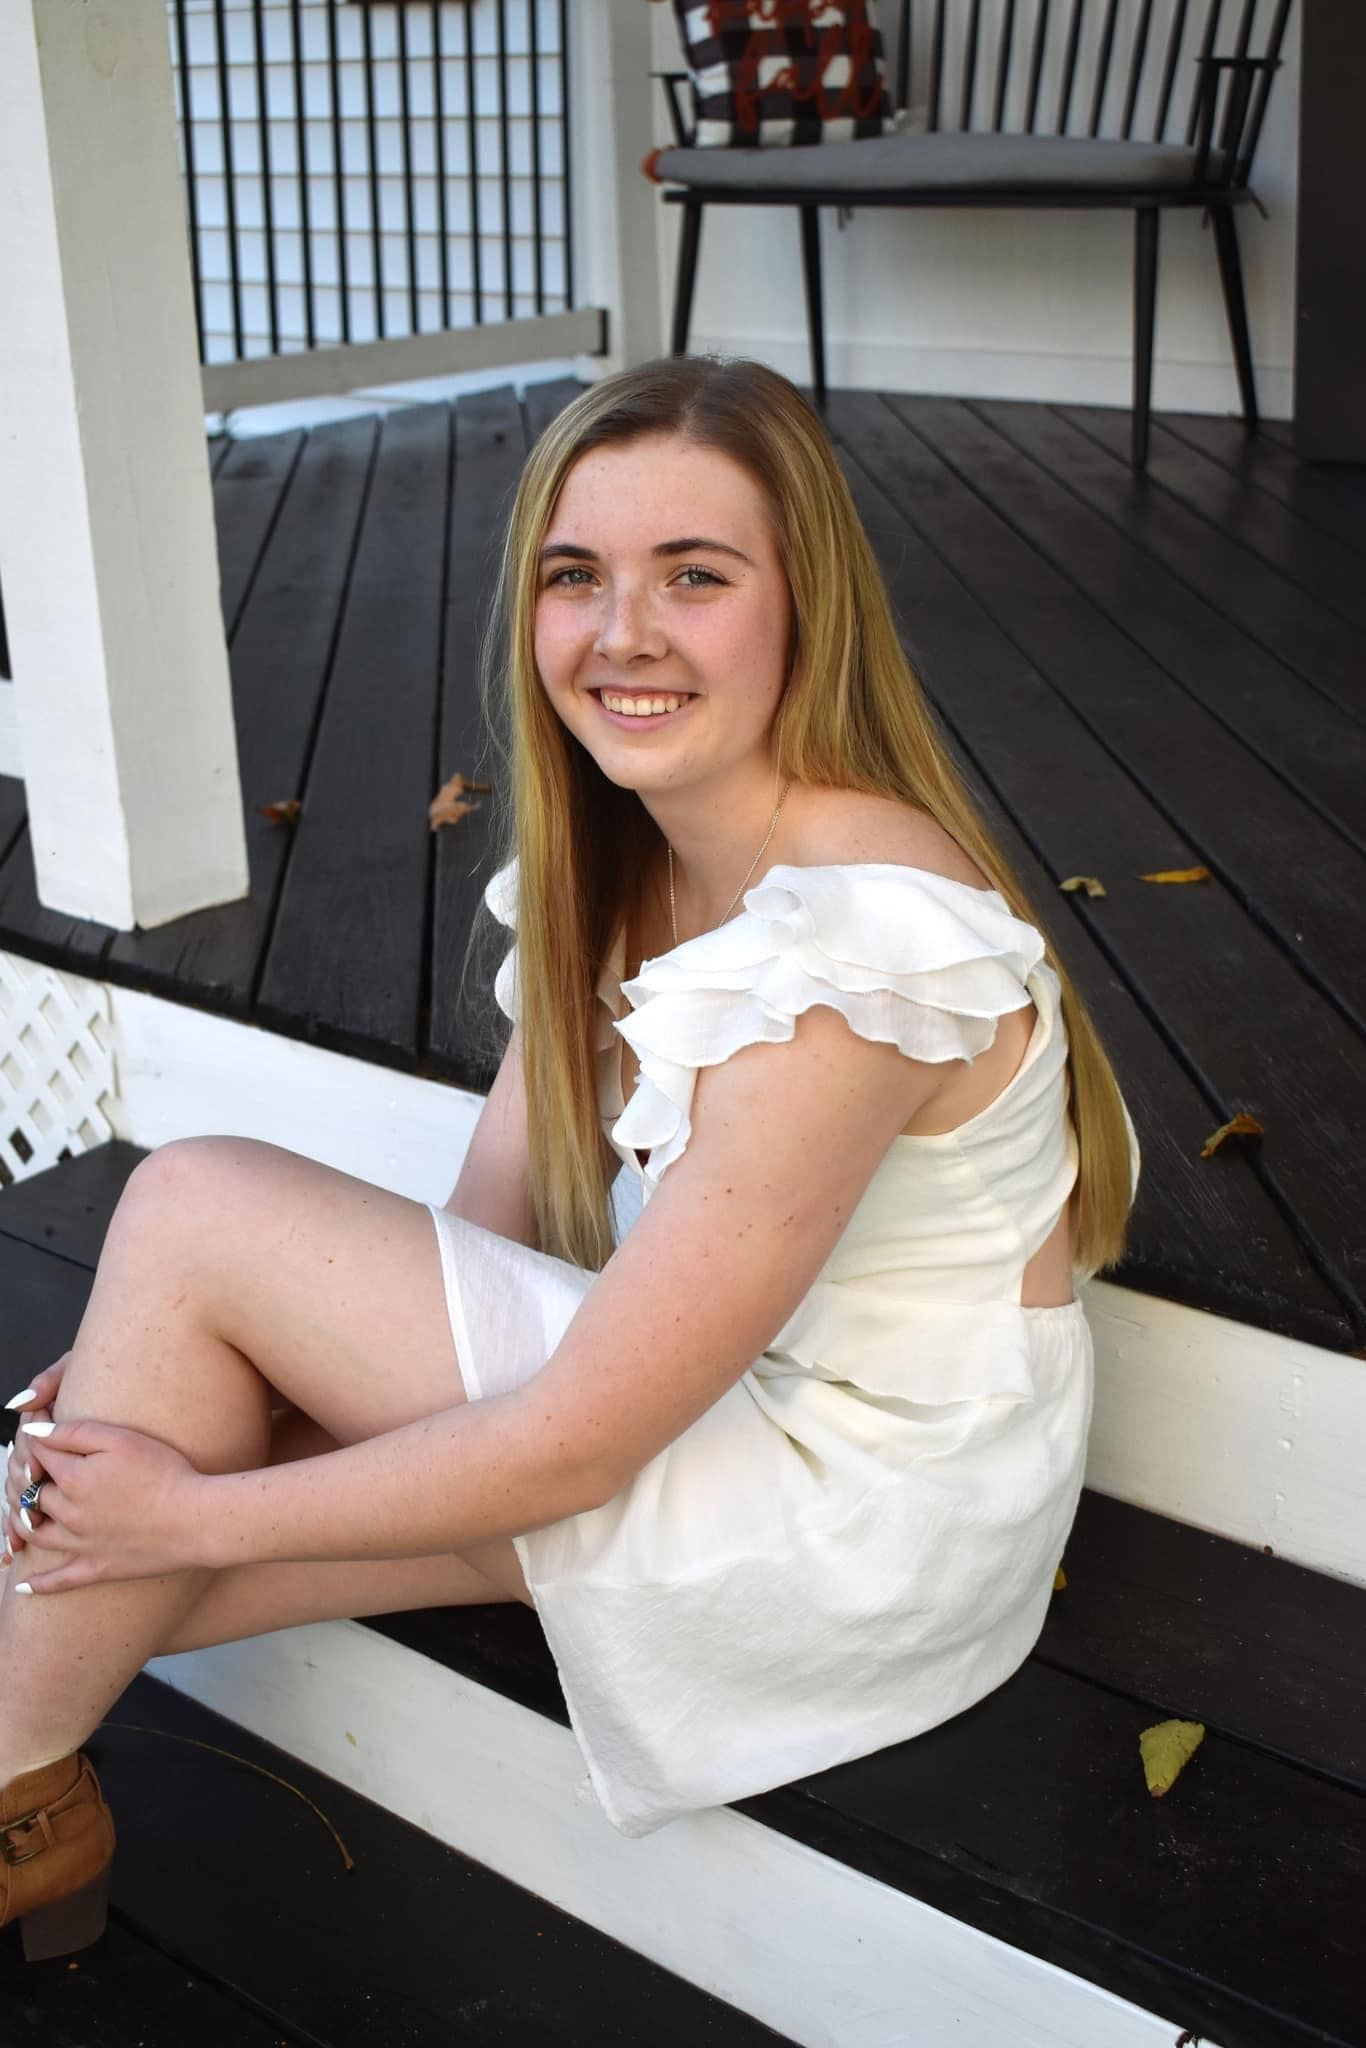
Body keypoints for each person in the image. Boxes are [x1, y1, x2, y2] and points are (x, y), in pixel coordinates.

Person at [0, 354, 1139, 1958]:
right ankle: (19, 1799)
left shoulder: (856, 953)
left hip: (859, 1530)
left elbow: (573, 1443)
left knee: (191, 1223)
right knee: (122, 1490)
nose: (623, 637)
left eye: (696, 576)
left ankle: (20, 1795)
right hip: (689, 1421)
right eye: (575, 578)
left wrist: (196, 1508)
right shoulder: (621, 862)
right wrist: (204, 1412)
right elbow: (485, 1233)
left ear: (802, 604)